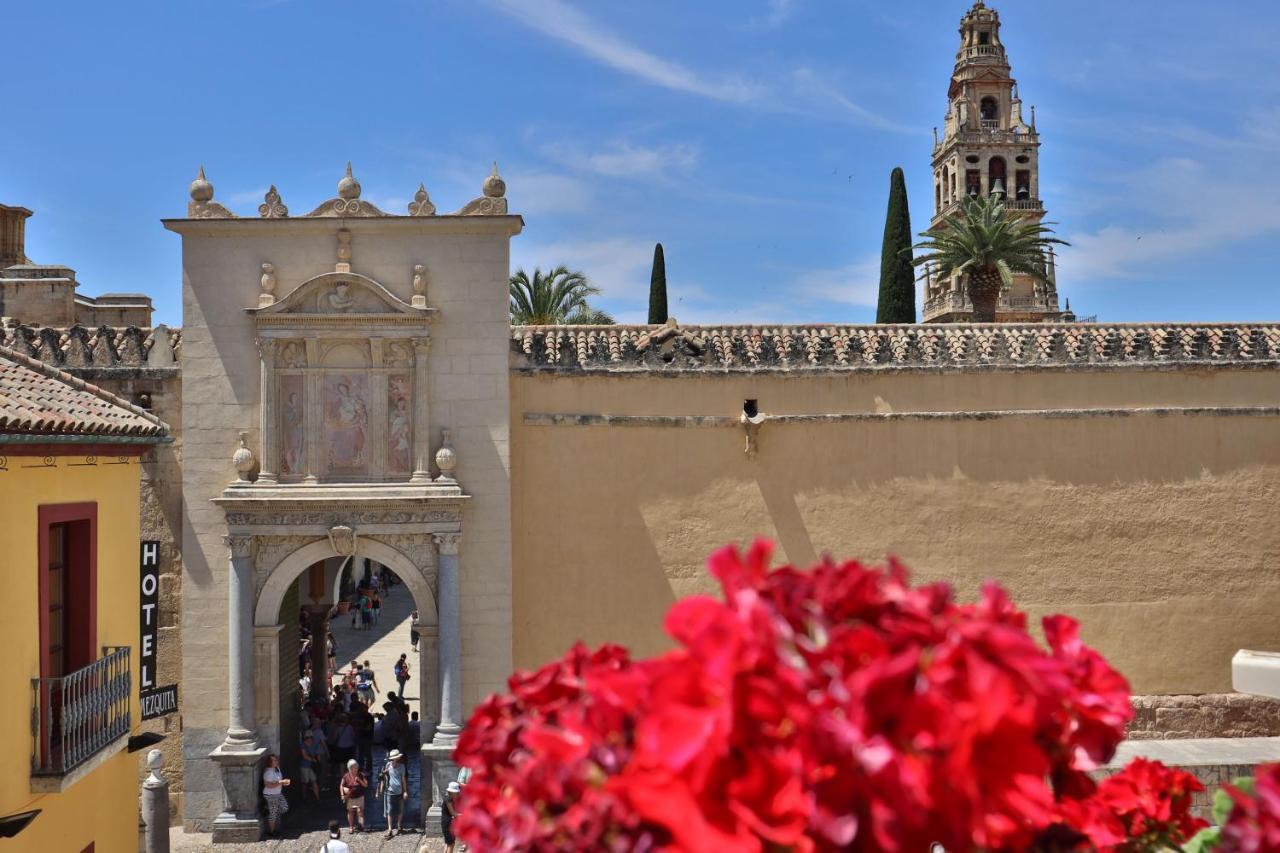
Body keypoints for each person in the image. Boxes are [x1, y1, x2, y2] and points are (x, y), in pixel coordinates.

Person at [377, 749, 408, 839]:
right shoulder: (388, 765)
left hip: (399, 791)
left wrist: (405, 791)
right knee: (390, 811)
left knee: (400, 809)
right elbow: (383, 777)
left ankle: (399, 826)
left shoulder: (402, 766)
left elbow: (403, 779)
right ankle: (390, 828)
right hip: (390, 791)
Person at [262, 753, 291, 836]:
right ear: (269, 762)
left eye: (276, 759)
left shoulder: (277, 768)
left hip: (277, 793)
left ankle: (271, 814)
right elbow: (268, 785)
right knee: (273, 813)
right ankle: (271, 831)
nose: (276, 761)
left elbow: (277, 782)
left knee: (284, 807)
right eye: (274, 760)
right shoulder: (268, 772)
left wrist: (283, 783)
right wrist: (281, 782)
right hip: (271, 794)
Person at [339, 758, 368, 835]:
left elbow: (365, 785)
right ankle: (351, 827)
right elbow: (341, 785)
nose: (356, 768)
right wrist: (342, 794)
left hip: (360, 796)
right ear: (350, 768)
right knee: (350, 812)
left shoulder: (361, 775)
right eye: (354, 767)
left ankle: (361, 825)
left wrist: (359, 780)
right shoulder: (346, 776)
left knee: (360, 811)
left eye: (356, 767)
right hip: (350, 797)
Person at [299, 732, 322, 801]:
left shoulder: (314, 744)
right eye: (308, 737)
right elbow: (304, 756)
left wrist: (318, 759)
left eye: (310, 737)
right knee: (305, 782)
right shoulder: (302, 745)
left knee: (314, 780)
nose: (309, 739)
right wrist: (313, 760)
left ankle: (317, 798)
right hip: (304, 766)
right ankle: (304, 797)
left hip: (310, 766)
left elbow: (317, 753)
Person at [442, 780, 461, 852]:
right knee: (451, 844)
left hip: (446, 822)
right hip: (448, 823)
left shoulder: (448, 798)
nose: (457, 793)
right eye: (456, 792)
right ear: (452, 792)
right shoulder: (448, 799)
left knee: (447, 843)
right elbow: (453, 813)